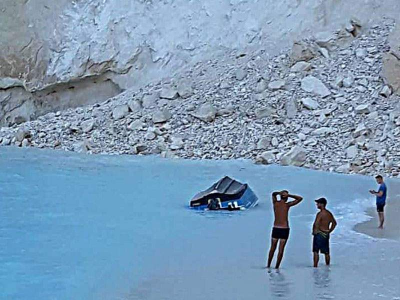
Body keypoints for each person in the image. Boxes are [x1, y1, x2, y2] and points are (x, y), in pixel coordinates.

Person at [266, 190, 303, 269]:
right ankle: (276, 267)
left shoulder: (275, 203)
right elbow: (300, 198)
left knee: (272, 248)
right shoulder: (287, 205)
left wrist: (280, 193)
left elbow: (273, 194)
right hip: (284, 228)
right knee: (281, 249)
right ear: (286, 198)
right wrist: (289, 195)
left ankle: (268, 265)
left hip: (276, 228)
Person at [312, 198, 337, 268]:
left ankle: (315, 267)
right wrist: (329, 231)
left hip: (319, 233)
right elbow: (334, 223)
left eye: (318, 203)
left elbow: (316, 223)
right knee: (326, 252)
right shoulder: (329, 213)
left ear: (322, 204)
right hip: (326, 233)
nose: (317, 205)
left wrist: (315, 231)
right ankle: (327, 266)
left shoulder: (320, 214)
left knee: (316, 251)